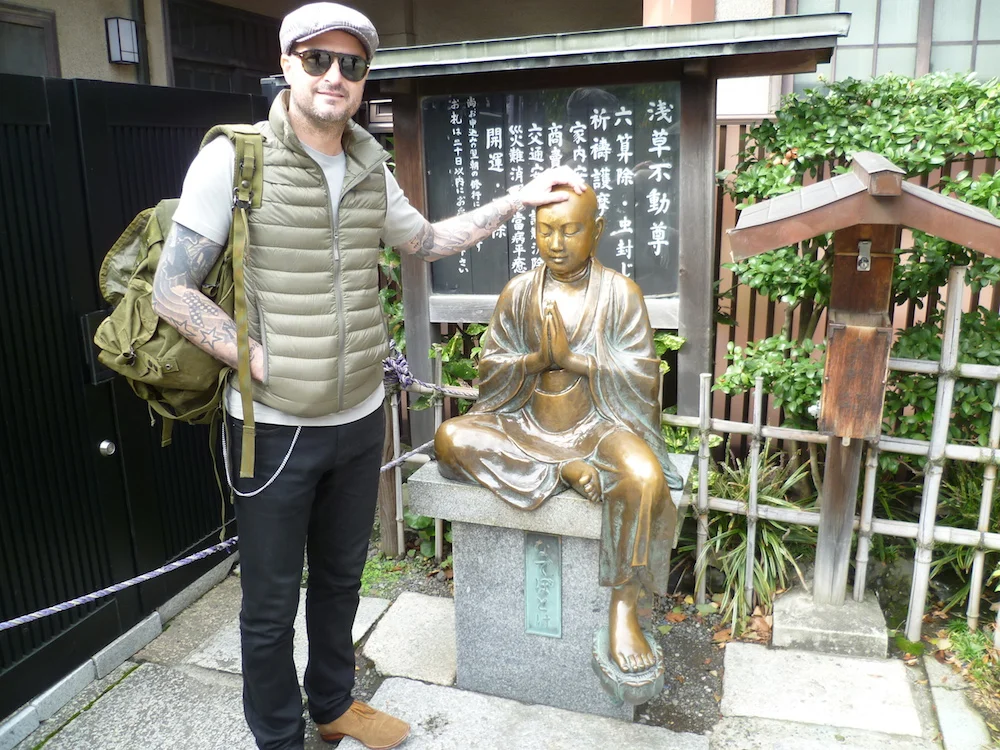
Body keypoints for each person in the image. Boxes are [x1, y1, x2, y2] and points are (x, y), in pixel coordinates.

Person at [150, 3, 585, 749]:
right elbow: (172, 290)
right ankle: (280, 738)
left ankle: (333, 706)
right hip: (274, 429)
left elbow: (425, 240)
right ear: (287, 64)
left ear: (363, 80)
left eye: (351, 65)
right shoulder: (235, 158)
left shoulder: (366, 163)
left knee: (343, 581)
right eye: (318, 59)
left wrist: (517, 200)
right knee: (269, 603)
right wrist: (257, 361)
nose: (334, 76)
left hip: (356, 419)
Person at [434, 185, 683, 675]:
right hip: (526, 424)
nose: (557, 242)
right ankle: (563, 471)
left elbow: (642, 375)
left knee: (644, 477)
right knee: (449, 439)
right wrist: (535, 361)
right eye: (545, 231)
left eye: (570, 230)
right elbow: (492, 370)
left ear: (597, 229)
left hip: (599, 426)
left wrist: (574, 361)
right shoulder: (519, 292)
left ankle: (623, 609)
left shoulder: (620, 294)